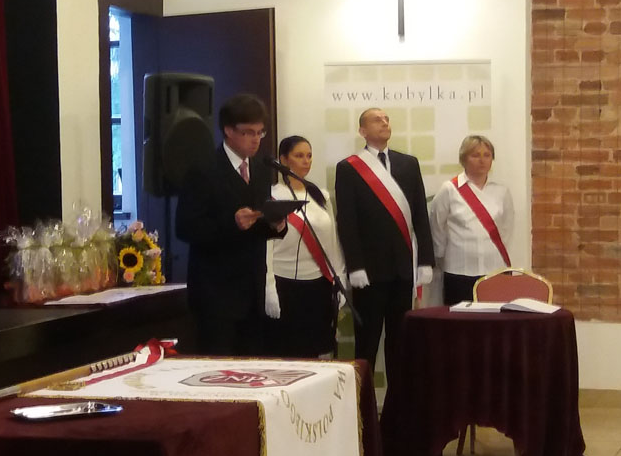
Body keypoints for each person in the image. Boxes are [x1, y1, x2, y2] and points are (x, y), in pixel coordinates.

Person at [176, 93, 286, 355]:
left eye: (260, 132)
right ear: (228, 130)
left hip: (253, 291)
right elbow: (185, 227)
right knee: (219, 367)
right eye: (248, 132)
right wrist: (231, 223)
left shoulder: (261, 167)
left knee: (252, 368)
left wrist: (276, 225)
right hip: (216, 294)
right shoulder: (203, 169)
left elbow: (256, 222)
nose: (256, 139)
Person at [334, 107, 433, 377]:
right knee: (366, 344)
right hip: (369, 273)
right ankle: (363, 402)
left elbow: (420, 214)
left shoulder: (408, 164)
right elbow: (347, 221)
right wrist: (355, 266)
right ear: (362, 130)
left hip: (403, 270)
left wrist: (425, 260)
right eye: (377, 120)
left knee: (400, 345)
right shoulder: (348, 168)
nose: (385, 123)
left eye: (387, 119)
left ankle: (398, 403)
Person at [264, 135, 346, 358]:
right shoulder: (271, 195)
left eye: (309, 156)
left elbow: (332, 241)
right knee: (288, 352)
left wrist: (338, 278)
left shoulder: (321, 195)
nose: (306, 161)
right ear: (283, 160)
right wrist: (269, 287)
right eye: (299, 156)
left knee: (318, 351)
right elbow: (267, 246)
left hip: (318, 284)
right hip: (284, 283)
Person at [429, 134, 515, 306]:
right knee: (460, 319)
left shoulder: (501, 191)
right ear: (464, 158)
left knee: (494, 317)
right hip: (459, 269)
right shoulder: (449, 189)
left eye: (487, 155)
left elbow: (507, 227)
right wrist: (440, 256)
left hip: (495, 268)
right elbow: (437, 226)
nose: (482, 160)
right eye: (475, 155)